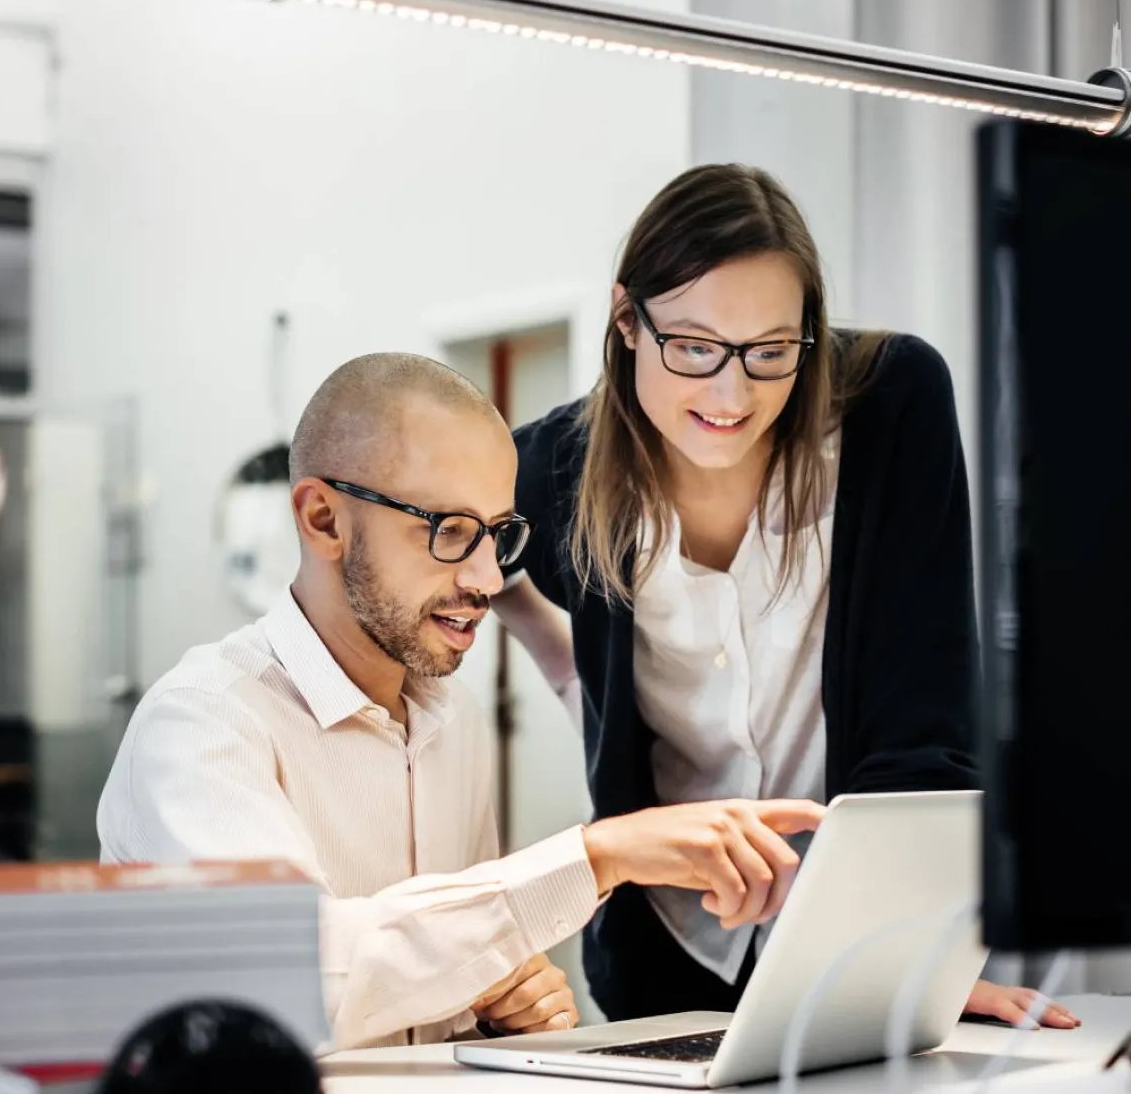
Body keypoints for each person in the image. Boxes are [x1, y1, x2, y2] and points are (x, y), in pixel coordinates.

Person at [97, 352, 826, 1052]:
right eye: (448, 531)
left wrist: (496, 1005)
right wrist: (596, 856)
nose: (485, 577)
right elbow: (293, 986)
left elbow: (431, 985)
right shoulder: (200, 724)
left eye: (498, 534)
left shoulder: (455, 722)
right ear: (322, 520)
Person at [497, 164, 1077, 1032]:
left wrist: (911, 959)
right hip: (664, 950)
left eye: (772, 351)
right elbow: (458, 556)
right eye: (694, 348)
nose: (733, 396)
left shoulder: (890, 406)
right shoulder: (554, 466)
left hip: (853, 938)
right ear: (627, 319)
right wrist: (573, 676)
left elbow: (922, 720)